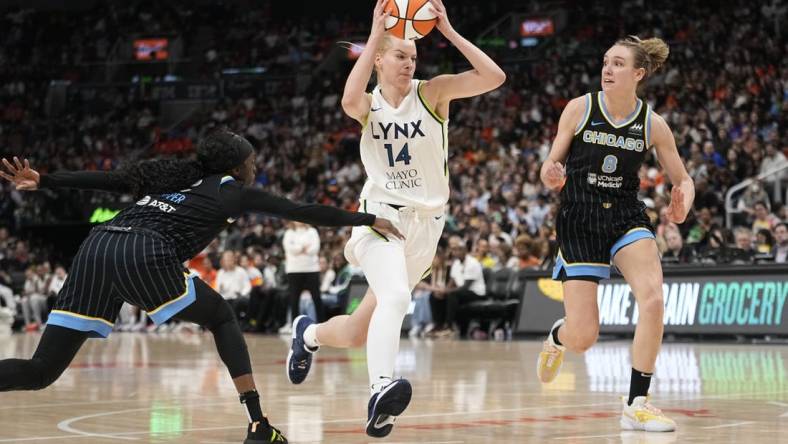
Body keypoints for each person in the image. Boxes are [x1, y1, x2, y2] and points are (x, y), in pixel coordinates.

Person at [0, 128, 402, 444]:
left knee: (40, 370)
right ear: (236, 167)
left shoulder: (170, 178)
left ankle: (259, 424)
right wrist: (366, 221)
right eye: (252, 161)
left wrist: (48, 179)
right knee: (222, 317)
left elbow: (112, 180)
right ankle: (258, 424)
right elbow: (299, 210)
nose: (254, 167)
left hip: (96, 246)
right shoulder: (230, 192)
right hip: (143, 251)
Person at [284, 0, 505, 438]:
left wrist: (450, 31)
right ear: (379, 59)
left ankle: (307, 335)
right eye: (401, 55)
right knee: (398, 299)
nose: (410, 62)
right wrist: (374, 35)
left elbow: (494, 77)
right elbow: (348, 97)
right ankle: (381, 391)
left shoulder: (433, 92)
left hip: (427, 226)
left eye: (414, 56)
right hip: (379, 218)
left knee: (352, 332)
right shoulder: (367, 104)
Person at [537, 36, 694, 432]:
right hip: (580, 217)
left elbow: (684, 179)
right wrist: (551, 173)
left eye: (619, 64)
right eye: (606, 62)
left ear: (638, 73)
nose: (608, 69)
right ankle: (558, 336)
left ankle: (637, 402)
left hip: (625, 216)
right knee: (584, 337)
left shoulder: (652, 124)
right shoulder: (580, 108)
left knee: (654, 297)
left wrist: (683, 200)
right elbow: (550, 164)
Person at [282, 221, 324, 327]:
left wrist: (297, 248)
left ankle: (321, 324)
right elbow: (289, 249)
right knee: (294, 299)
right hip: (294, 269)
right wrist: (303, 247)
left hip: (312, 268)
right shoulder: (289, 233)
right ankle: (295, 326)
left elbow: (315, 249)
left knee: (317, 298)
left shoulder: (312, 231)